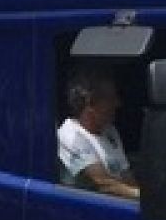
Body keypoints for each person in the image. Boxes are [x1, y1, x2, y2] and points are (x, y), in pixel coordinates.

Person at [58, 65, 138, 199]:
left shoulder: (110, 132)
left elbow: (126, 176)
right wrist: (146, 199)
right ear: (90, 103)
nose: (117, 104)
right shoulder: (70, 135)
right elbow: (105, 185)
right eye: (110, 98)